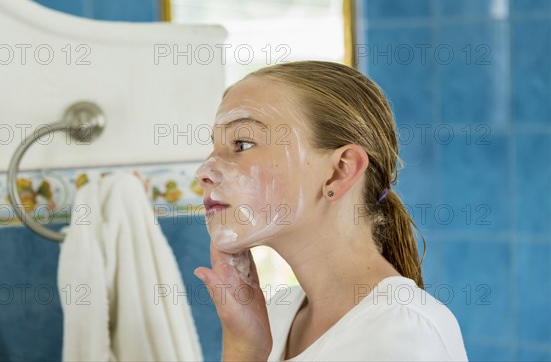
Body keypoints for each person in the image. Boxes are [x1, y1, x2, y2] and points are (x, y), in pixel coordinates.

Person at [194, 61, 468, 361]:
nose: (204, 171)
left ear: (340, 171)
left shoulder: (403, 335)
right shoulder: (277, 313)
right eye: (214, 147)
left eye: (243, 143)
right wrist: (244, 349)